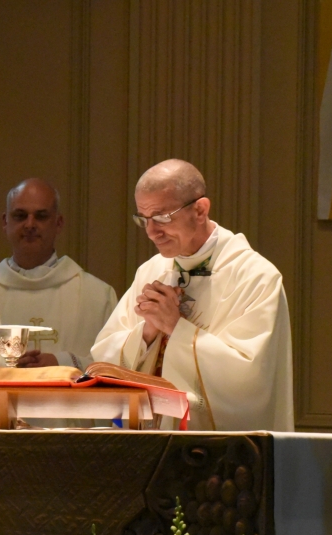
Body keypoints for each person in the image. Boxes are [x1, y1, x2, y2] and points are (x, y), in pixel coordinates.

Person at [91, 159, 294, 431]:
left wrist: (176, 328)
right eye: (144, 219)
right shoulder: (151, 271)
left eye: (163, 217)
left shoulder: (255, 277)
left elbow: (251, 379)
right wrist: (147, 333)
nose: (152, 232)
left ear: (200, 210)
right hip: (147, 446)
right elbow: (103, 359)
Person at [0, 179, 117, 371]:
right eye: (20, 215)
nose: (30, 224)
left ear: (58, 223)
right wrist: (8, 367)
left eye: (41, 216)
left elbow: (116, 367)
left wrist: (62, 363)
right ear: (5, 222)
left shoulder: (97, 296)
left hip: (72, 402)